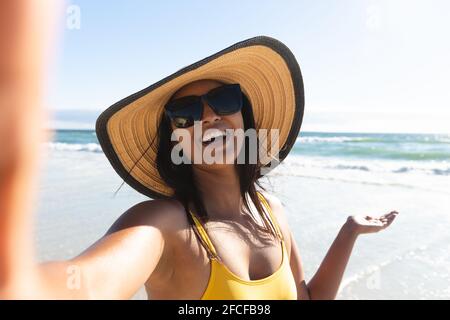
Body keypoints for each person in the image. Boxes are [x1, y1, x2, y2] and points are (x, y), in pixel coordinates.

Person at [0, 2, 398, 299]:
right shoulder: (164, 226)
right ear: (175, 139)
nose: (209, 117)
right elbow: (84, 284)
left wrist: (349, 232)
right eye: (186, 114)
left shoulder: (271, 214)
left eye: (224, 100)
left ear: (244, 117)